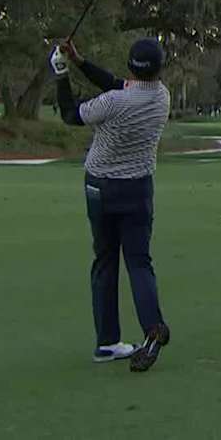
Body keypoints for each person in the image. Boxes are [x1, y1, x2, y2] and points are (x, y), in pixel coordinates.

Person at [51, 37, 173, 373]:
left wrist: (61, 73)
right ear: (159, 68)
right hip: (138, 190)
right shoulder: (161, 97)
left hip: (100, 187)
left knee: (105, 261)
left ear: (131, 65)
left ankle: (107, 342)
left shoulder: (111, 103)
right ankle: (152, 327)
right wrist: (79, 60)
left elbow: (70, 115)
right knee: (139, 263)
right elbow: (118, 84)